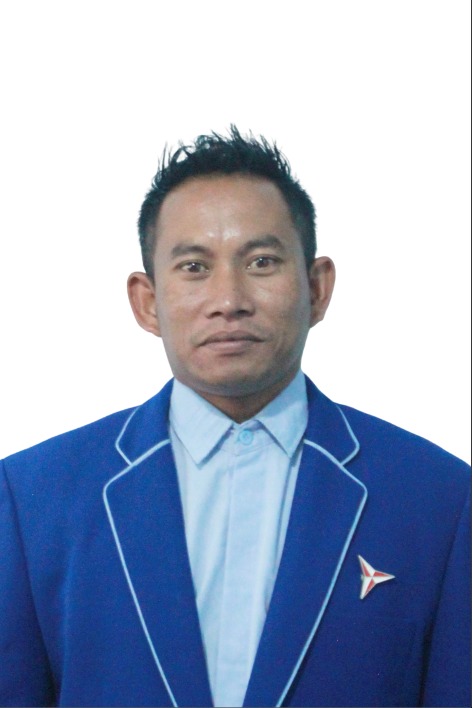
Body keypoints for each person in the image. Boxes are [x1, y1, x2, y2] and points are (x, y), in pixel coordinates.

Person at [0, 127, 469, 708]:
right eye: (194, 266)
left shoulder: (440, 498)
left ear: (317, 288)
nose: (229, 300)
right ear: (147, 301)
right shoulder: (32, 496)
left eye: (262, 262)